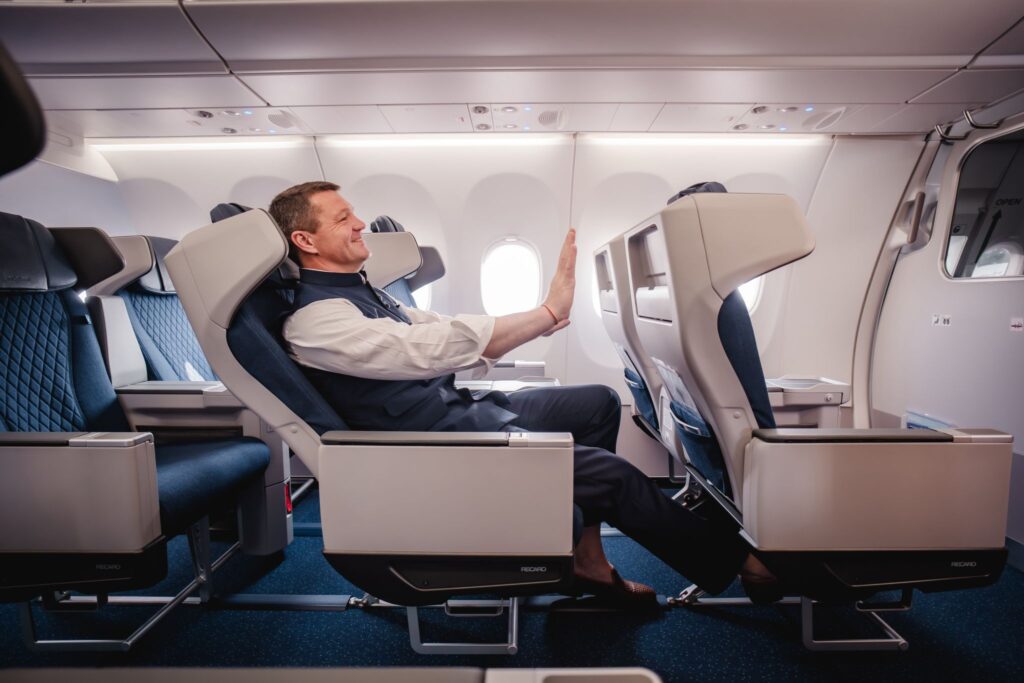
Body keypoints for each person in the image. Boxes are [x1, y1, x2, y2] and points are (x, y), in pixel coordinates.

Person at [271, 181, 782, 607]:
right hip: (427, 451)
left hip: (454, 416)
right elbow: (424, 349)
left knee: (596, 403)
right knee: (614, 477)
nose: (359, 223)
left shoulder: (364, 292)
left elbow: (444, 327)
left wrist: (536, 321)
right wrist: (546, 312)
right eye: (342, 218)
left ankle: (585, 556)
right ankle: (746, 564)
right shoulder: (316, 320)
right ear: (306, 240)